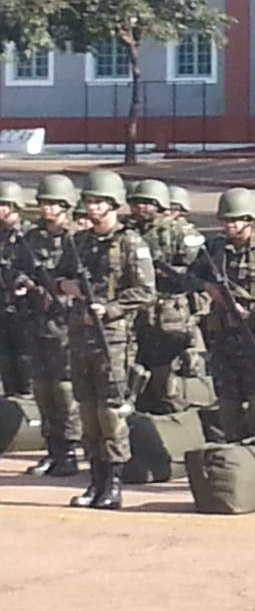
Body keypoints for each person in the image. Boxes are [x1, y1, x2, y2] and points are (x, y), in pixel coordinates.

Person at [56, 170, 155, 509]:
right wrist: (65, 287)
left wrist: (109, 308)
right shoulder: (79, 241)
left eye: (97, 201)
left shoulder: (130, 243)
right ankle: (94, 481)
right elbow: (60, 275)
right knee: (86, 410)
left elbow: (145, 291)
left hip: (113, 339)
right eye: (89, 201)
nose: (91, 207)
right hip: (80, 336)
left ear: (113, 204)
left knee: (110, 413)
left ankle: (113, 482)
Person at [185, 188, 255, 442]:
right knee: (227, 398)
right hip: (222, 334)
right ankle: (234, 447)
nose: (229, 225)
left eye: (235, 220)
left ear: (252, 220)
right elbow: (189, 276)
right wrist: (207, 287)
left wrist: (250, 314)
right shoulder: (215, 248)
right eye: (225, 220)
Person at [15, 175, 80, 477]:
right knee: (42, 390)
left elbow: (88, 280)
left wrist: (63, 291)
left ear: (66, 206)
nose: (46, 208)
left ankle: (69, 451)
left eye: (53, 203)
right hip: (37, 321)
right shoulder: (31, 238)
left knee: (64, 391)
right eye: (43, 203)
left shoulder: (77, 238)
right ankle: (52, 450)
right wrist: (26, 283)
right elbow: (18, 268)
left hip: (68, 324)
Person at [126, 179, 203, 412]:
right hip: (136, 310)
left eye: (147, 203)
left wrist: (158, 270)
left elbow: (195, 272)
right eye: (137, 203)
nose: (141, 208)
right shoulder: (127, 233)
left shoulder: (180, 232)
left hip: (171, 311)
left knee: (169, 369)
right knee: (135, 364)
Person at [0, 180, 33, 398]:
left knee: (25, 354)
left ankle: (28, 394)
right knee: (4, 354)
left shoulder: (30, 235)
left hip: (26, 306)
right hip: (3, 304)